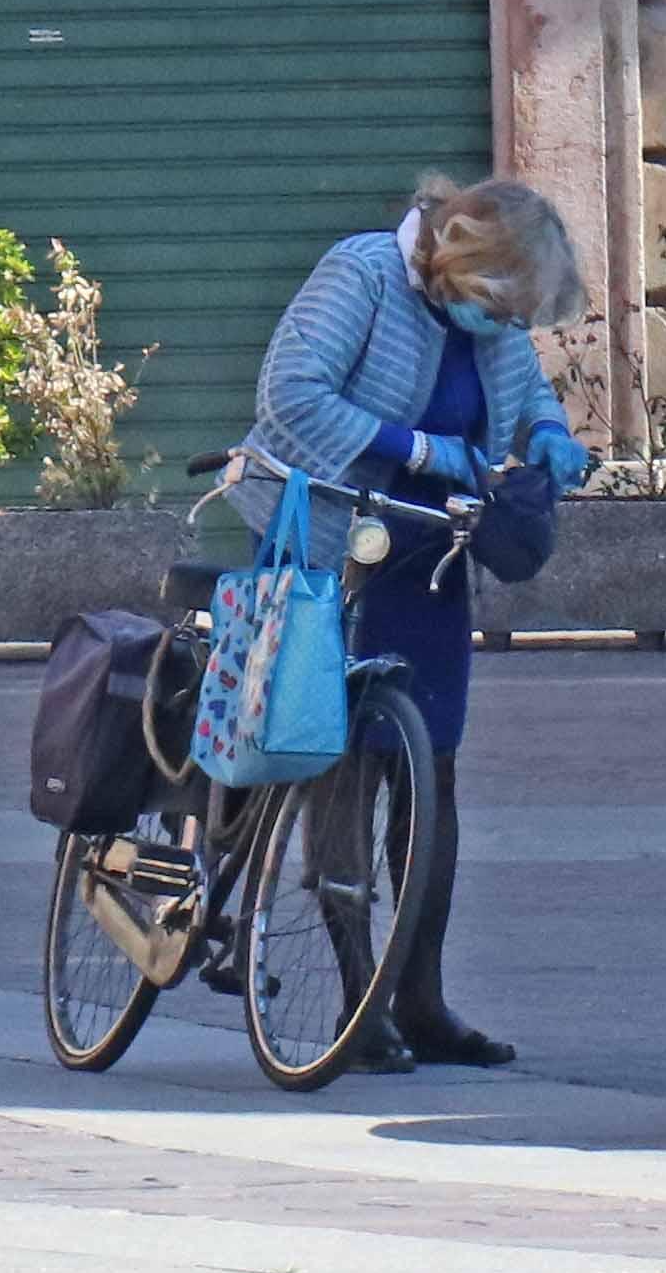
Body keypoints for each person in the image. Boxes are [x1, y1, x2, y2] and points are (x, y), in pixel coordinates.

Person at [241, 174, 593, 1072]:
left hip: (428, 557)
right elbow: (292, 397)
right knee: (344, 773)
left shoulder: (491, 320)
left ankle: (422, 998)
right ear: (460, 267)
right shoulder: (361, 275)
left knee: (430, 777)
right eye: (501, 306)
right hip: (328, 550)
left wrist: (548, 433)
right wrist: (422, 449)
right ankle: (361, 999)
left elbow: (520, 389)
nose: (508, 325)